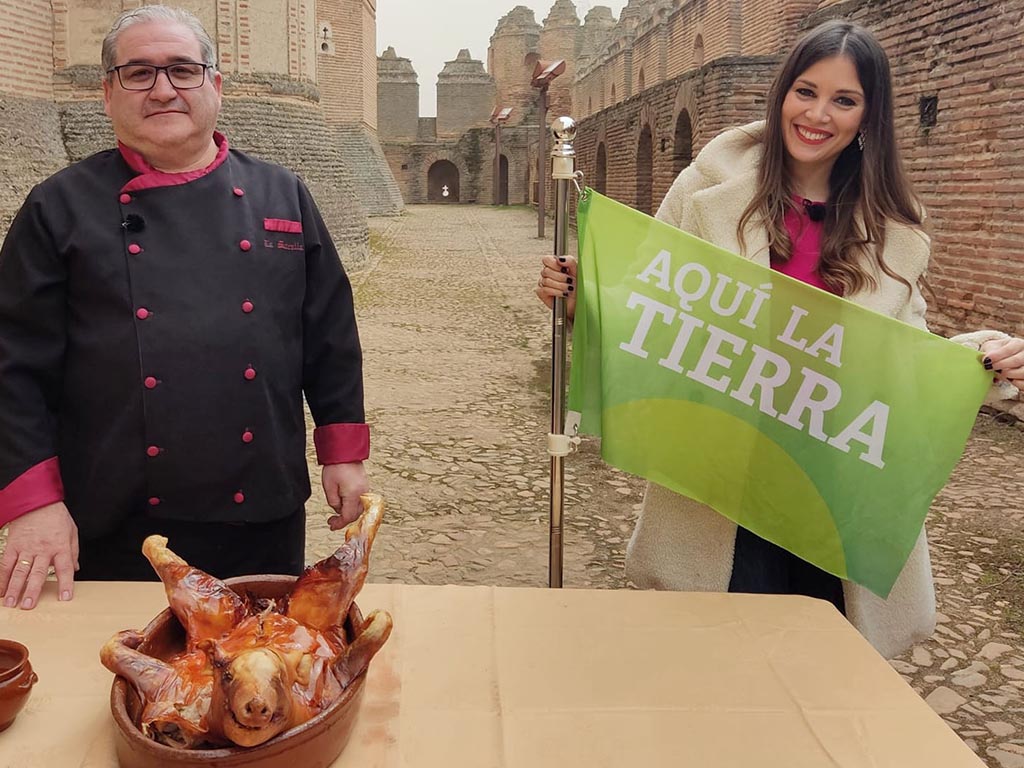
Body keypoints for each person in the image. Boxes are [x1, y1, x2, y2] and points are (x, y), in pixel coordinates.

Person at [536, 19, 1024, 658]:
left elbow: (902, 355)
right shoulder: (704, 193)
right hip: (722, 485)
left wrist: (985, 360)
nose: (819, 114)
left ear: (867, 117)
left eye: (844, 100)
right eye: (806, 91)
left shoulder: (892, 230)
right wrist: (581, 299)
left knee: (820, 673)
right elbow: (648, 309)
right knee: (717, 671)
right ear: (782, 93)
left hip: (828, 490)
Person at [0, 5, 370, 610]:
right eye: (139, 73)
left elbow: (328, 334)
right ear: (108, 94)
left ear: (215, 86)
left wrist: (344, 452)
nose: (163, 89)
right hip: (120, 519)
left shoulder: (284, 194)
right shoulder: (57, 208)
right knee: (129, 680)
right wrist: (36, 503)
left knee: (263, 680)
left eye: (182, 70)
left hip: (262, 514)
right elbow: (12, 364)